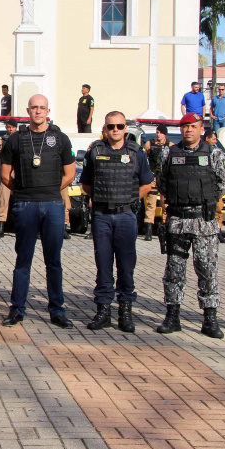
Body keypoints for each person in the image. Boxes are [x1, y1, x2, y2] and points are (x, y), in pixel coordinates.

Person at [0, 94, 76, 327]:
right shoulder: (16, 139)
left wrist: (51, 190)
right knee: (23, 260)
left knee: (53, 261)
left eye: (42, 108)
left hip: (53, 205)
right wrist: (23, 191)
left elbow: (70, 173)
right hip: (25, 205)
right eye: (34, 107)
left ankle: (57, 311)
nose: (38, 111)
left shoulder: (60, 138)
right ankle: (17, 309)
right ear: (28, 111)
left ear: (48, 111)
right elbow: (4, 174)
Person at [156, 112, 225, 339]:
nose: (189, 130)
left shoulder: (214, 154)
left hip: (203, 221)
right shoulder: (169, 153)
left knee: (207, 269)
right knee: (174, 270)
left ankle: (210, 318)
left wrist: (204, 198)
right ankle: (172, 316)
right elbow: (162, 182)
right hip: (178, 220)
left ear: (201, 129)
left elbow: (224, 183)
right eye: (185, 126)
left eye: (193, 126)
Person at [80, 112, 154, 332]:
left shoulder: (136, 153)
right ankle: (103, 311)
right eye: (111, 126)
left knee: (126, 265)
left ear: (125, 128)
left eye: (119, 126)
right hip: (102, 215)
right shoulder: (95, 151)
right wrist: (103, 198)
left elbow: (147, 184)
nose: (115, 130)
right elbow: (86, 184)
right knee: (103, 265)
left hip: (125, 216)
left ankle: (125, 311)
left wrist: (129, 199)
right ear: (105, 128)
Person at [142, 124, 172, 241]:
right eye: (157, 132)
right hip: (153, 176)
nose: (158, 134)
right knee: (151, 203)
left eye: (160, 132)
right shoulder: (149, 144)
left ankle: (164, 228)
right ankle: (148, 230)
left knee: (166, 204)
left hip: (164, 178)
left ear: (165, 134)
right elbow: (144, 159)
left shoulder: (170, 146)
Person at [0, 120, 18, 239]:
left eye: (12, 127)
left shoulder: (21, 138)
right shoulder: (0, 140)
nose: (10, 129)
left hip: (18, 171)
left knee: (22, 200)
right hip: (5, 172)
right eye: (8, 127)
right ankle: (0, 228)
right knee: (2, 199)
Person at [204, 129, 225, 243]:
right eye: (213, 139)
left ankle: (218, 232)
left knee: (218, 210)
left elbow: (224, 175)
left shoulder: (218, 152)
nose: (215, 141)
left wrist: (217, 192)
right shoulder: (200, 151)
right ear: (207, 139)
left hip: (214, 189)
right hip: (202, 189)